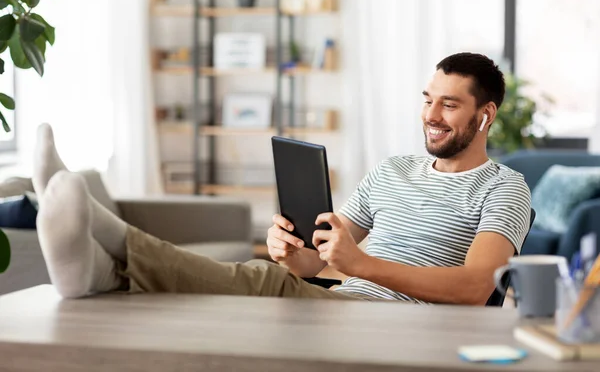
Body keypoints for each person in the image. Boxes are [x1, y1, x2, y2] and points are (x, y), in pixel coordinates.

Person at [33, 52, 531, 305]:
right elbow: (316, 263)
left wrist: (359, 266)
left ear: (484, 115)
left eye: (449, 104)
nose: (431, 114)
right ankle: (101, 273)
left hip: (396, 320)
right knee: (266, 275)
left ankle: (107, 235)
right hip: (341, 304)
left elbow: (474, 288)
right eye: (427, 99)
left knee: (257, 281)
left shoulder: (503, 187)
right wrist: (293, 252)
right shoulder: (392, 170)